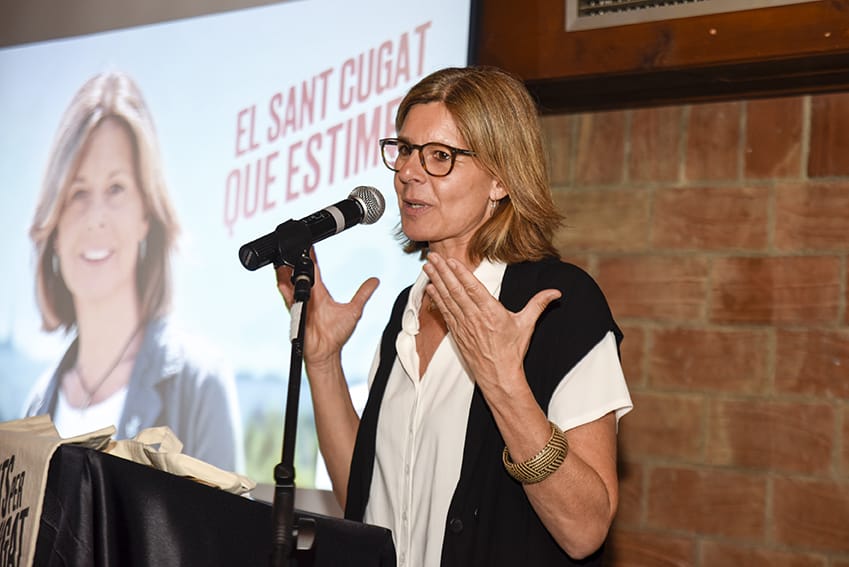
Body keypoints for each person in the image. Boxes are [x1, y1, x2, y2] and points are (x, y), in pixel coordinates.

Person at [275, 66, 632, 566]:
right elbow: (363, 493)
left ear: (501, 180)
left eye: (439, 156)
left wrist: (505, 386)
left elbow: (586, 529)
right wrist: (324, 360)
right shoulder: (407, 307)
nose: (407, 173)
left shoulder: (560, 304)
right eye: (403, 150)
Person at [25, 71, 244, 473]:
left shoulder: (199, 384)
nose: (95, 219)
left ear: (147, 213)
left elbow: (221, 536)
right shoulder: (37, 405)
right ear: (53, 226)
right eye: (77, 192)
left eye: (116, 188)